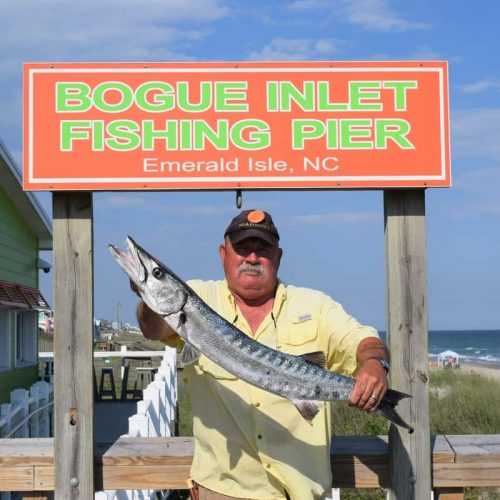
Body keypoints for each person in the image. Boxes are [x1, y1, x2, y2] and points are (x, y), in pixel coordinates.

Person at [133, 209, 390, 500]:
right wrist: (147, 293)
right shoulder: (198, 297)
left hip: (302, 491)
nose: (252, 258)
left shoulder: (315, 306)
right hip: (224, 490)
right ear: (223, 254)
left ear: (278, 257)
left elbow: (362, 339)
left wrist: (374, 362)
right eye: (242, 248)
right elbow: (152, 328)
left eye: (262, 250)